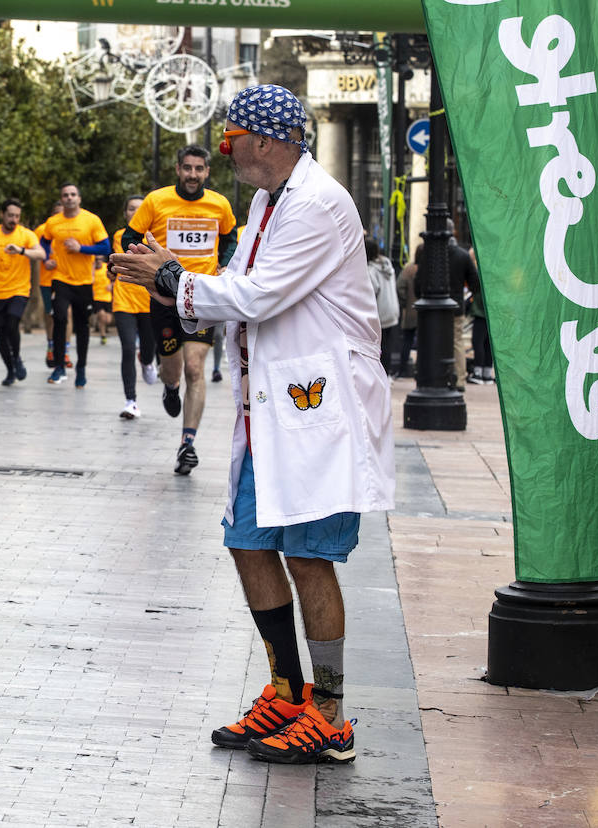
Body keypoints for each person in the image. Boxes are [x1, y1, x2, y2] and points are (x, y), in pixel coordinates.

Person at [112, 83, 394, 765]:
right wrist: (169, 291)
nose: (226, 150)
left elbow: (258, 296)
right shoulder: (267, 201)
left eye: (232, 138)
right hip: (267, 412)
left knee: (309, 558)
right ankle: (286, 691)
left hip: (320, 413)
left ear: (267, 140)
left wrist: (174, 275)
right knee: (247, 542)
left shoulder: (321, 204)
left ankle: (330, 714)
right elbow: (232, 296)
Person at [121, 146, 237, 475]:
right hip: (163, 298)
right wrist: (146, 268)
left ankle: (187, 444)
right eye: (187, 168)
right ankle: (170, 389)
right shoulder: (156, 201)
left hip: (200, 297)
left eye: (199, 169)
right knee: (172, 370)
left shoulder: (219, 204)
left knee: (195, 369)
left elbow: (230, 239)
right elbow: (128, 237)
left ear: (207, 172)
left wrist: (224, 264)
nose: (192, 174)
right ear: (177, 169)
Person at [41, 183, 109, 387]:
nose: (69, 198)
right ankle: (59, 367)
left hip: (84, 282)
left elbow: (105, 247)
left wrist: (81, 248)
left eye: (73, 194)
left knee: (82, 326)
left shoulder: (91, 220)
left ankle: (81, 369)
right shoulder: (53, 222)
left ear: (79, 198)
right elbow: (44, 242)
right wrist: (47, 258)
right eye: (65, 195)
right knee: (60, 318)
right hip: (60, 279)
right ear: (61, 199)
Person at [0, 197, 45, 385]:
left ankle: (16, 358)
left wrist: (22, 251)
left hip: (19, 289)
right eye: (10, 215)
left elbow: (41, 254)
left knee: (12, 323)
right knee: (0, 333)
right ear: (2, 215)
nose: (13, 219)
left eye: (17, 216)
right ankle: (10, 370)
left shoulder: (26, 235)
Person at [111, 195, 156, 419]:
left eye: (140, 209)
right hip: (124, 298)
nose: (135, 213)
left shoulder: (156, 237)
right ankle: (131, 401)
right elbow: (114, 262)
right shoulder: (120, 236)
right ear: (125, 213)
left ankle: (148, 362)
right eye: (131, 209)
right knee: (128, 348)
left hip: (150, 300)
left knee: (148, 349)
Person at [415, 235, 478, 390]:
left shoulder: (429, 253)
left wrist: (422, 296)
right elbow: (475, 283)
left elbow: (419, 280)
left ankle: (431, 375)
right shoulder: (463, 255)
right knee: (457, 342)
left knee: (431, 340)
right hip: (456, 306)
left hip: (431, 306)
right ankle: (460, 380)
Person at [33, 203, 64, 368]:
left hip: (67, 279)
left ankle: (65, 350)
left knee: (67, 314)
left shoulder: (71, 227)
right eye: (57, 214)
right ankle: (51, 345)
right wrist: (45, 260)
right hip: (46, 279)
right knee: (50, 313)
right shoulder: (41, 230)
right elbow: (35, 251)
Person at [365, 238, 399, 375]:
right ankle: (387, 373)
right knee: (387, 344)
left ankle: (382, 374)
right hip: (392, 310)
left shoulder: (371, 270)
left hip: (381, 312)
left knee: (379, 346)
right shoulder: (387, 264)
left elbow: (371, 292)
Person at [466, 246, 493, 384]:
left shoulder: (481, 272)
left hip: (481, 313)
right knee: (488, 344)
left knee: (478, 342)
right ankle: (487, 373)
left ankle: (478, 372)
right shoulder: (494, 272)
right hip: (492, 314)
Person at [396, 250, 419, 378]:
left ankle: (403, 369)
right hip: (424, 314)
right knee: (424, 342)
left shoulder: (408, 270)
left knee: (407, 341)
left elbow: (400, 286)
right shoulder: (428, 268)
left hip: (410, 311)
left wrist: (404, 302)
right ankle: (419, 369)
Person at [92, 257, 113, 344]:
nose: (98, 261)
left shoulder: (106, 267)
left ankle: (100, 326)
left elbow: (114, 278)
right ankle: (103, 335)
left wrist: (111, 285)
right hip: (96, 298)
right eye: (96, 259)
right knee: (102, 315)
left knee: (108, 320)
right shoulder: (92, 270)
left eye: (100, 259)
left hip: (107, 297)